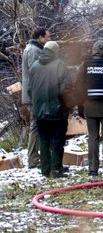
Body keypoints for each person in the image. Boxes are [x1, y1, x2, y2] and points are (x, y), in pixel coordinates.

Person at [28, 41, 71, 178]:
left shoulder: (34, 66)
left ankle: (45, 169)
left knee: (44, 140)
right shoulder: (60, 65)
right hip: (57, 110)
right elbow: (66, 89)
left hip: (39, 111)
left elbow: (29, 90)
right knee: (57, 140)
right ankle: (56, 169)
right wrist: (67, 105)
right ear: (56, 51)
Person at [77, 40, 103, 177]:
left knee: (93, 138)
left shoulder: (84, 65)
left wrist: (80, 107)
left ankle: (93, 169)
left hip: (90, 107)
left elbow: (79, 87)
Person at [21, 27, 49, 168]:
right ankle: (33, 160)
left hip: (34, 94)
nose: (48, 39)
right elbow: (35, 74)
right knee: (36, 126)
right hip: (35, 95)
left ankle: (36, 158)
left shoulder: (32, 48)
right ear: (40, 37)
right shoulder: (33, 50)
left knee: (37, 126)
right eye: (47, 37)